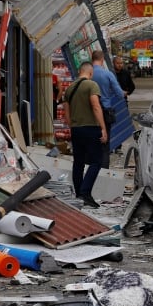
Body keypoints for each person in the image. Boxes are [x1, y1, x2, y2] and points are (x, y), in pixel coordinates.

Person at [63, 62, 107, 209]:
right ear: (90, 72)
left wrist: (73, 126)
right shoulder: (91, 85)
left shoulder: (69, 88)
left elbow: (66, 115)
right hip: (91, 128)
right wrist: (103, 128)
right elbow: (95, 106)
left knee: (79, 162)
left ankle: (78, 195)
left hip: (76, 129)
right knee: (96, 161)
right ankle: (85, 192)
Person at [90, 50, 124, 166]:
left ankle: (90, 167)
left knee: (91, 142)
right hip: (104, 111)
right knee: (104, 143)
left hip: (88, 112)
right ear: (102, 59)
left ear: (92, 59)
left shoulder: (87, 74)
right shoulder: (107, 74)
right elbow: (119, 94)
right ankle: (103, 170)